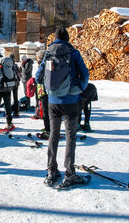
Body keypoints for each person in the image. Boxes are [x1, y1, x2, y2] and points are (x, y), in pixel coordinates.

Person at [36, 27, 90, 189]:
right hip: (71, 101)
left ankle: (52, 172)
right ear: (67, 38)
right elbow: (85, 74)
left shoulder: (48, 53)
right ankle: (70, 174)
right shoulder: (73, 53)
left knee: (53, 135)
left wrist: (50, 90)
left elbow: (38, 76)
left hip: (53, 101)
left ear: (55, 38)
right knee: (70, 137)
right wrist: (79, 88)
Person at [35, 50, 50, 139]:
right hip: (53, 90)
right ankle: (53, 128)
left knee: (45, 110)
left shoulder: (43, 65)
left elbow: (38, 77)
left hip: (43, 90)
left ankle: (48, 128)